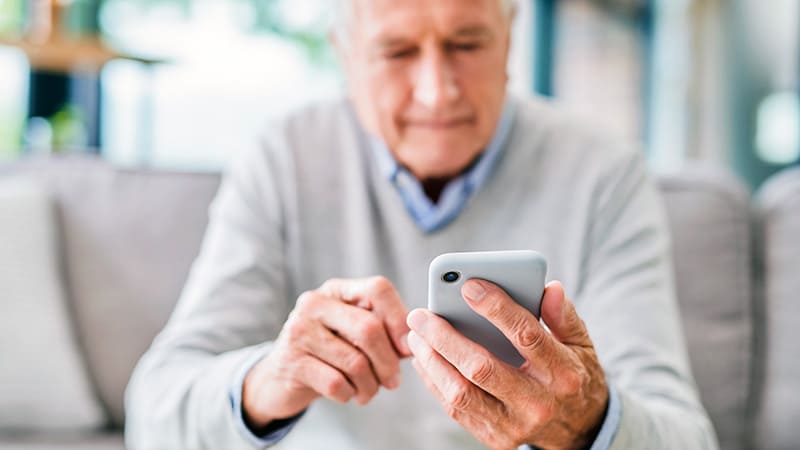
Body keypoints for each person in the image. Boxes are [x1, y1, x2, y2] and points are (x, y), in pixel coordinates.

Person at [125, 0, 719, 448]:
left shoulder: (603, 171)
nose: (437, 92)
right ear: (345, 55)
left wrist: (586, 423)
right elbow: (153, 414)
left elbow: (687, 438)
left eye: (467, 43)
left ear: (510, 39)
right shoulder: (284, 158)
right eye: (397, 52)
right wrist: (268, 381)